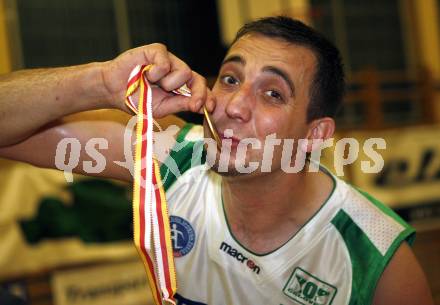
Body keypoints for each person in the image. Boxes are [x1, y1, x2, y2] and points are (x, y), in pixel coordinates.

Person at [0, 16, 433, 305]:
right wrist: (100, 82)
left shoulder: (375, 255)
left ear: (313, 136)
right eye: (230, 78)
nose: (233, 106)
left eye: (272, 93)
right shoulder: (175, 158)